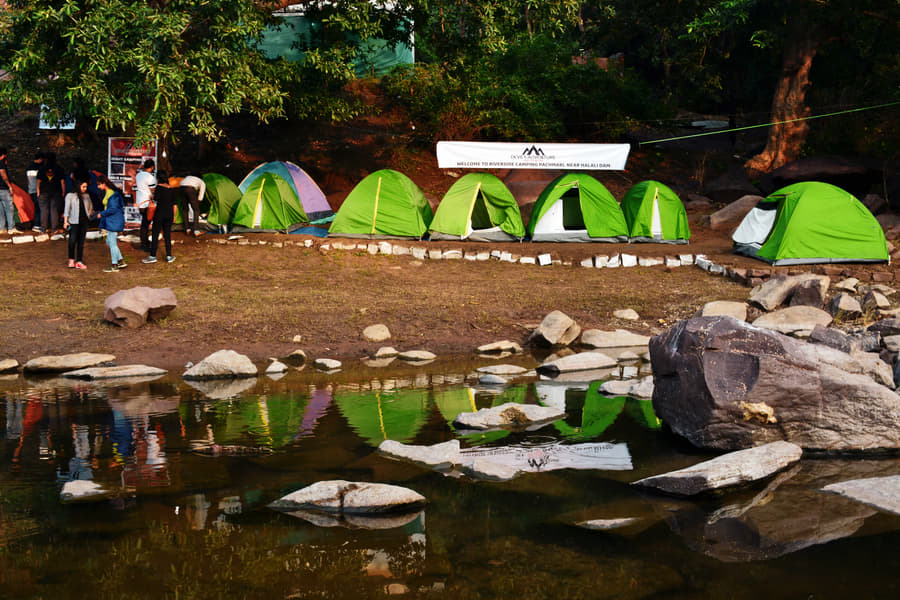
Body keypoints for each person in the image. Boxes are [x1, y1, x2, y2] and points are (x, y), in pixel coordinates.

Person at [142, 170, 176, 264]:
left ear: (158, 178)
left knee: (155, 234)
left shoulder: (159, 188)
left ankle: (153, 255)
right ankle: (169, 256)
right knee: (167, 235)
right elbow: (174, 204)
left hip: (160, 214)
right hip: (169, 214)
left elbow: (156, 199)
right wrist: (174, 215)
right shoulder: (171, 189)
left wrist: (151, 196)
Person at [97, 175, 127, 272]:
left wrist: (102, 214)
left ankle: (114, 265)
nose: (98, 187)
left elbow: (113, 209)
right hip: (112, 220)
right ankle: (120, 260)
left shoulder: (111, 194)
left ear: (104, 183)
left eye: (99, 184)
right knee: (109, 241)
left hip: (113, 220)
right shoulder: (109, 192)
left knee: (112, 242)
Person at [63, 179, 93, 269]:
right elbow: (67, 209)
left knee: (81, 242)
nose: (85, 189)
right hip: (74, 221)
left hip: (84, 221)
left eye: (86, 187)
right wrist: (65, 221)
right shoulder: (70, 196)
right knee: (72, 241)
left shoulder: (86, 196)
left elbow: (90, 206)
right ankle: (71, 259)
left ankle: (79, 261)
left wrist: (90, 212)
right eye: (83, 186)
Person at [37, 153, 65, 233]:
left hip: (43, 192)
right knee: (54, 210)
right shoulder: (59, 169)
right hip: (56, 192)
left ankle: (43, 229)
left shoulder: (42, 168)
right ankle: (54, 229)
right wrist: (63, 192)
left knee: (43, 211)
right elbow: (62, 182)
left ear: (46, 159)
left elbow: (38, 181)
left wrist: (38, 191)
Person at [134, 159, 156, 252]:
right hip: (148, 203)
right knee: (147, 224)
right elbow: (153, 190)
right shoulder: (151, 177)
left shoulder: (138, 175)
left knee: (144, 224)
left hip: (140, 202)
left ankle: (144, 243)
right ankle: (145, 245)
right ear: (152, 167)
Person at [26, 151, 44, 230]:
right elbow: (39, 180)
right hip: (37, 190)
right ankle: (37, 225)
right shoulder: (39, 168)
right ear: (40, 159)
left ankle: (37, 224)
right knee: (39, 209)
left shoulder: (28, 168)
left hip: (31, 190)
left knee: (36, 208)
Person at [0, 147, 15, 235]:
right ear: (3, 155)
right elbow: (4, 175)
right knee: (9, 208)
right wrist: (10, 186)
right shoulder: (1, 163)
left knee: (0, 210)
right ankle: (11, 227)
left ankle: (1, 228)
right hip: (3, 189)